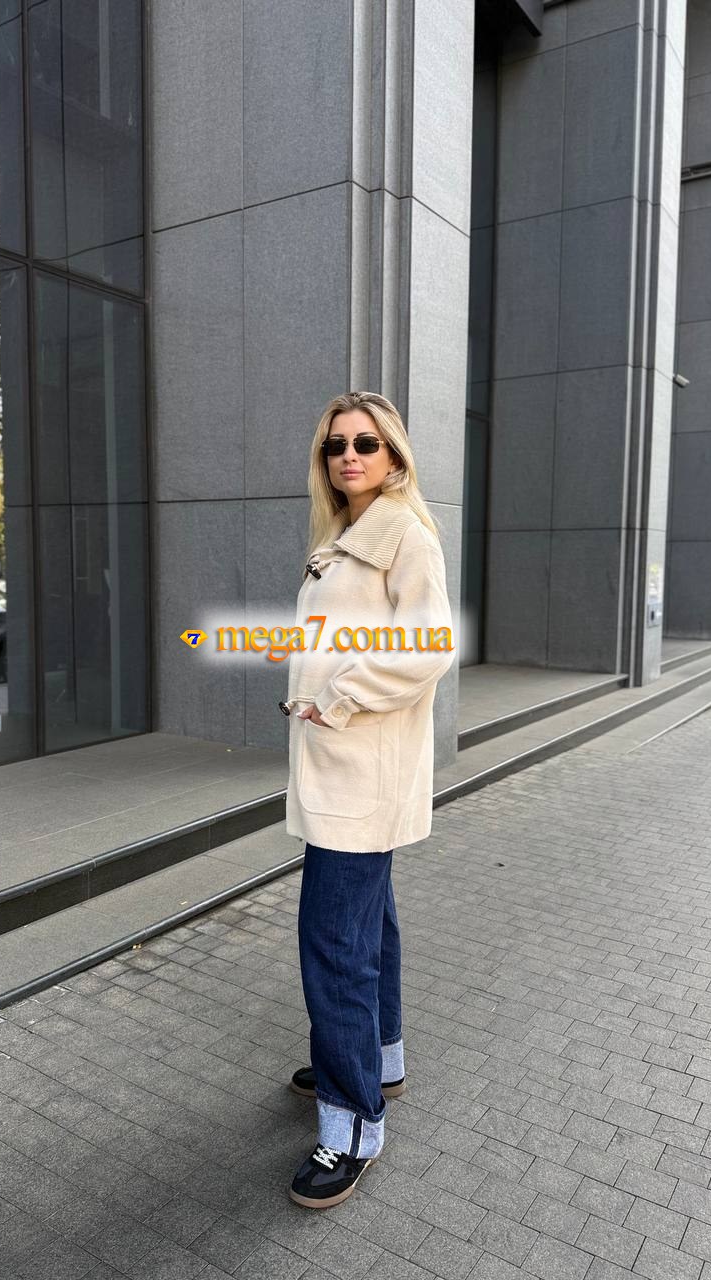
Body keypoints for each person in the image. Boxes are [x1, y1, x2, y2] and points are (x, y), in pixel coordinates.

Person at [279, 390, 456, 1208]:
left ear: (393, 455)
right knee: (367, 928)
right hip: (342, 769)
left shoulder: (402, 535)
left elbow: (430, 645)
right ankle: (376, 1061)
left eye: (366, 443)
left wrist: (339, 696)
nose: (349, 456)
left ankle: (352, 1124)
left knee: (333, 947)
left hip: (360, 773)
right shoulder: (345, 537)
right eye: (336, 446)